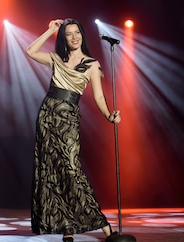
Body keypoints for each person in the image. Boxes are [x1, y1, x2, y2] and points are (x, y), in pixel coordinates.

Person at [26, 18, 121, 242]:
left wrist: (108, 115)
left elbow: (98, 96)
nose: (74, 37)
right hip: (47, 116)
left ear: (82, 35)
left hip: (68, 118)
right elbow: (30, 51)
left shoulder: (92, 64)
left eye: (76, 32)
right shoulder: (56, 58)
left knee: (71, 170)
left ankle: (104, 225)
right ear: (64, 38)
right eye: (69, 34)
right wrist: (50, 31)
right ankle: (66, 228)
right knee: (51, 171)